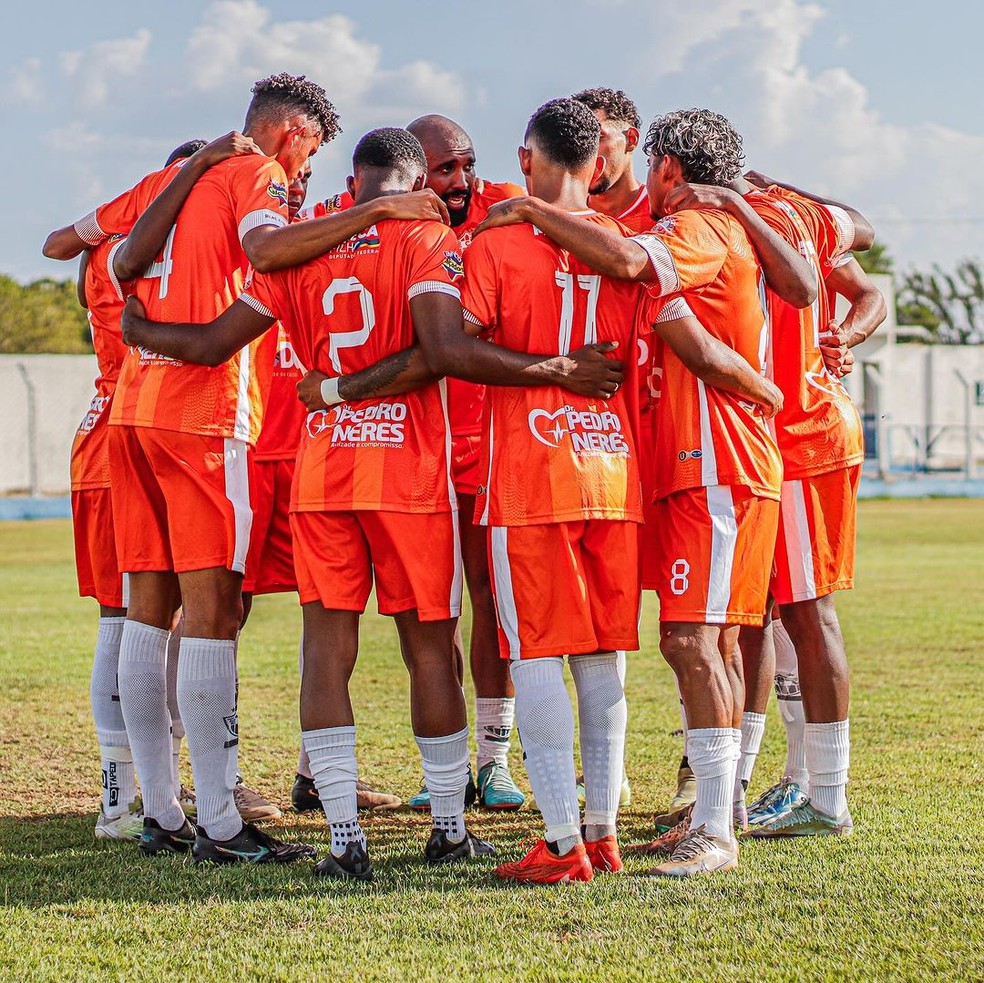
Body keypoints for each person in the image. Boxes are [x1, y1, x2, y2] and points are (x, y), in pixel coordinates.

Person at [120, 126, 624, 881]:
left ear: (354, 182)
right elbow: (439, 350)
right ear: (416, 181)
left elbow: (217, 340)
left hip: (325, 471)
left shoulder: (301, 247)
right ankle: (450, 828)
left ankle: (344, 841)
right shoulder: (424, 236)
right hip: (408, 473)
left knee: (326, 647)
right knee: (430, 647)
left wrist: (140, 332)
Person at [477, 107, 805, 876]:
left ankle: (700, 831)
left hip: (709, 462)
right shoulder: (720, 229)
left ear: (666, 170)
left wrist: (530, 209)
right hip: (647, 468)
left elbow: (634, 268)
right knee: (701, 641)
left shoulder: (688, 233)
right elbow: (712, 324)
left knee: (686, 642)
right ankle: (686, 819)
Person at [43, 134, 258, 840]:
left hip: (113, 420)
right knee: (161, 615)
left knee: (136, 616)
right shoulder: (183, 235)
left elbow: (60, 244)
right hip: (163, 416)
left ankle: (138, 797)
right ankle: (137, 800)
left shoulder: (113, 243)